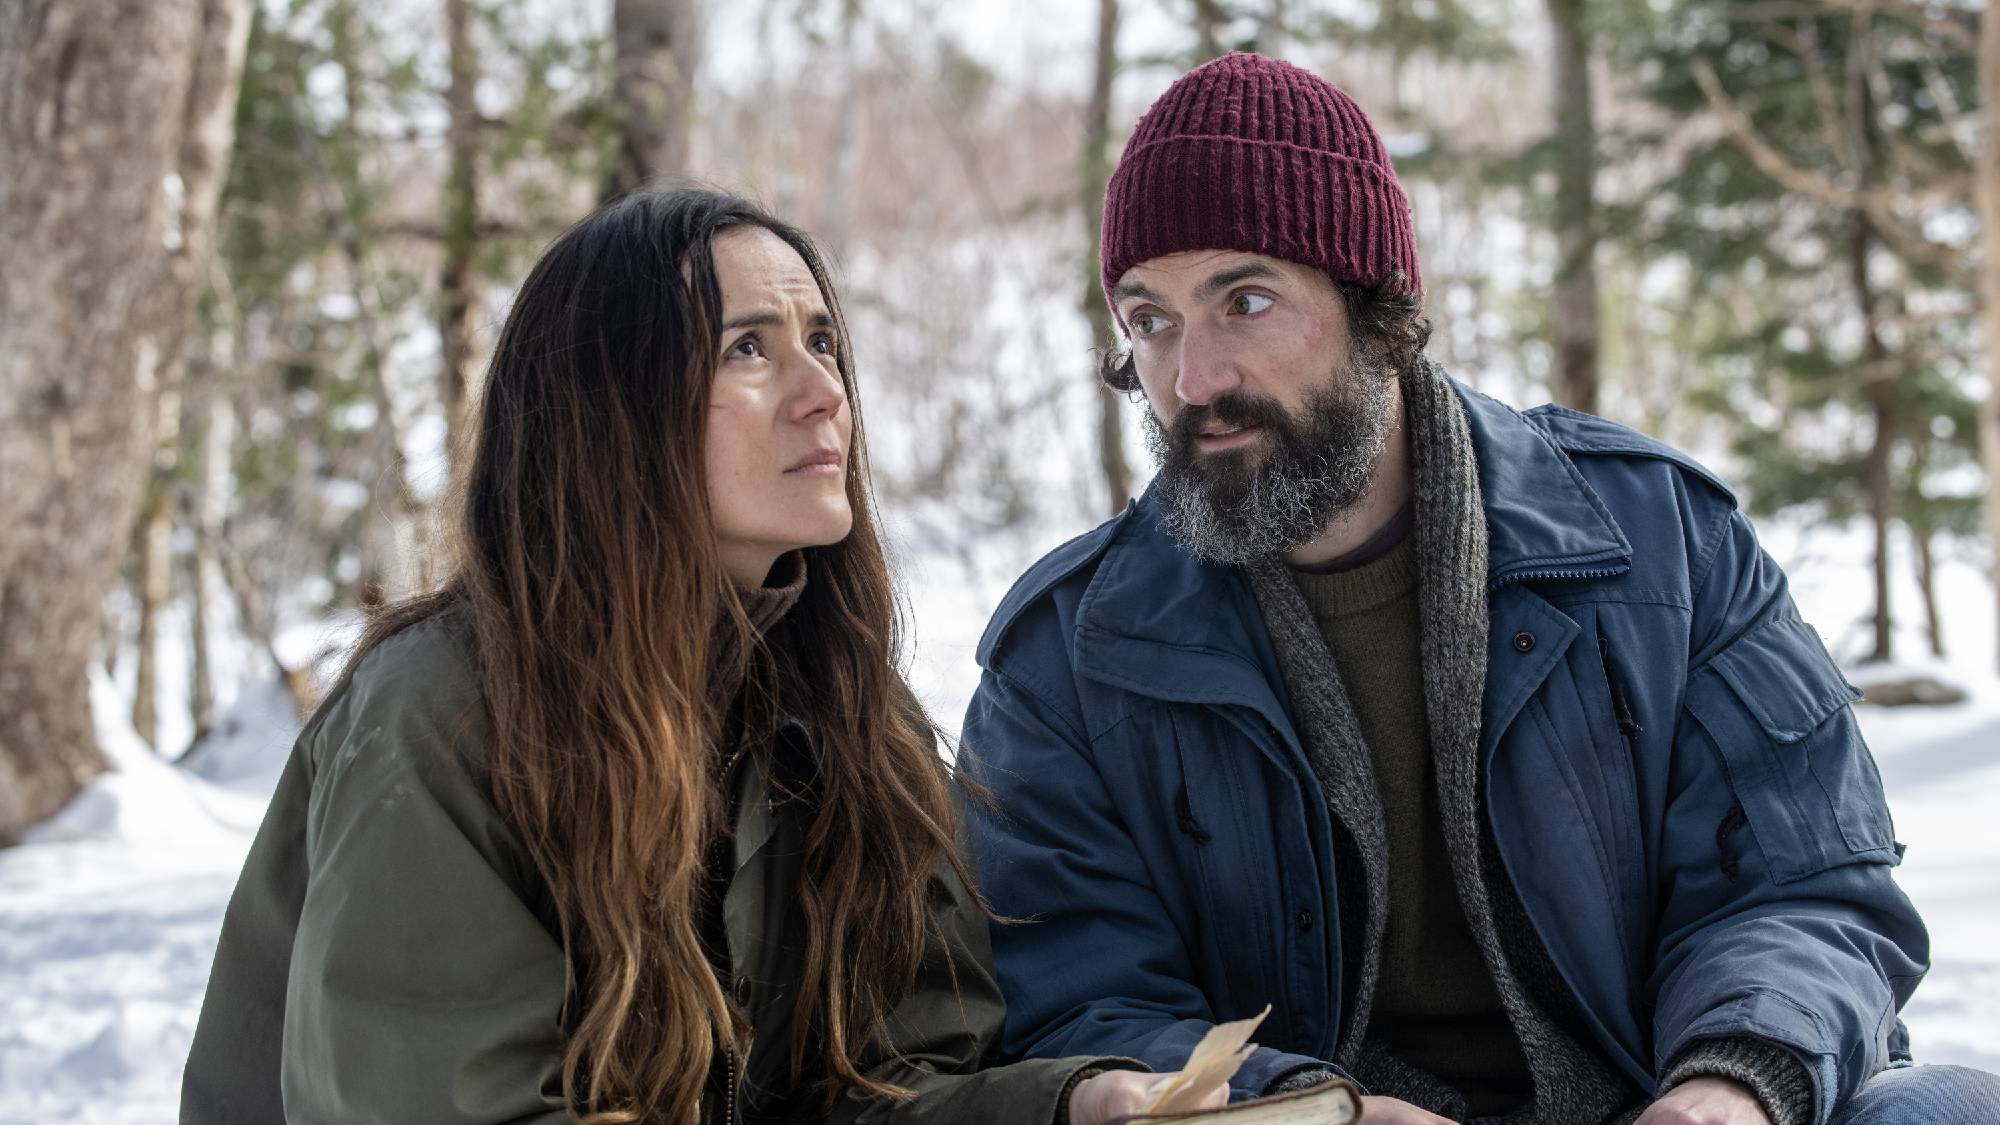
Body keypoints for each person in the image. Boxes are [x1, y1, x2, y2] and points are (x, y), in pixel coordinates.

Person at [959, 52, 2000, 1125]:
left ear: (1379, 314)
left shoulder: (1656, 542)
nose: (1194, 378)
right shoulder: (1068, 654)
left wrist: (1727, 1087)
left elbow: (1803, 887)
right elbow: (1081, 1004)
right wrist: (1320, 1110)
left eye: (1246, 300)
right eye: (1151, 319)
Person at [179, 188, 1218, 1125]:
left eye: (822, 342)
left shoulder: (853, 721)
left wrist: (1067, 1108)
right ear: (607, 410)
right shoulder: (442, 714)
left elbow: (891, 1086)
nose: (824, 394)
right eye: (748, 349)